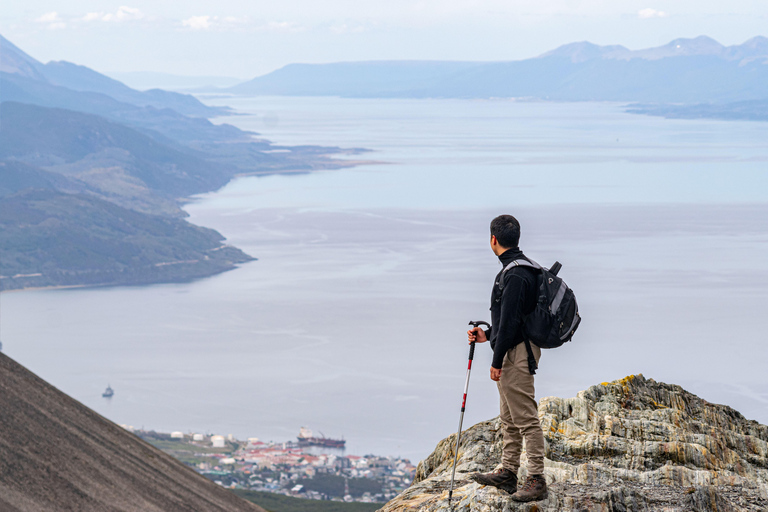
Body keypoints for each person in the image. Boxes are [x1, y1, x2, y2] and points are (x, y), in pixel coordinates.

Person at [467, 214, 548, 502]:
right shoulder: (522, 268)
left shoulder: (514, 274)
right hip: (514, 348)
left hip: (516, 355)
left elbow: (512, 322)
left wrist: (496, 361)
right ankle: (508, 471)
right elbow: (513, 321)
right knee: (509, 417)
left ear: (493, 240)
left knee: (525, 418)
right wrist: (487, 337)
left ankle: (537, 479)